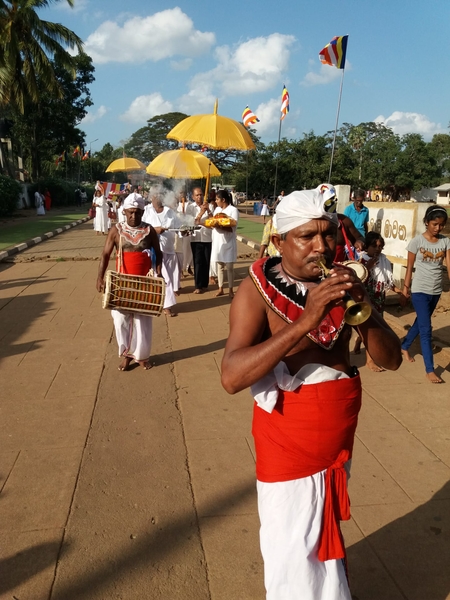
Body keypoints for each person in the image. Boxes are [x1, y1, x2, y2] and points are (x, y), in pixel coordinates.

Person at [221, 188, 402, 600]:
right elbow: (231, 377)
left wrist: (363, 306)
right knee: (291, 546)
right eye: (307, 236)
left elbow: (390, 360)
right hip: (287, 443)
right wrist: (306, 321)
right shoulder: (255, 290)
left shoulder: (343, 281)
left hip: (337, 438)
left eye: (329, 235)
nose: (322, 246)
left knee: (321, 530)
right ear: (279, 241)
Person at [96, 194, 162, 371]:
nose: (134, 216)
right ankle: (126, 355)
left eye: (138, 213)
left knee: (143, 321)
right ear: (124, 212)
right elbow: (105, 254)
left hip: (144, 283)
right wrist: (100, 277)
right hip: (121, 283)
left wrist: (159, 272)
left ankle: (141, 356)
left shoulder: (149, 230)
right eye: (131, 213)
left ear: (143, 212)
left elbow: (158, 252)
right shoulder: (116, 230)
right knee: (121, 320)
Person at [401, 205, 450, 383]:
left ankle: (405, 345)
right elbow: (409, 268)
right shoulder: (417, 242)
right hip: (420, 290)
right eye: (435, 224)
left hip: (436, 291)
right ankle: (430, 369)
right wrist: (405, 289)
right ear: (427, 223)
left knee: (420, 323)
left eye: (441, 225)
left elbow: (449, 266)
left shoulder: (446, 242)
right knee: (426, 329)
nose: (438, 228)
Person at [353, 231, 406, 371]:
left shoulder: (385, 261)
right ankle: (370, 361)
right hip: (366, 299)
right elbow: (357, 280)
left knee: (371, 329)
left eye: (380, 246)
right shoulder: (360, 261)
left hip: (379, 299)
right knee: (371, 329)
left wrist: (401, 292)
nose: (377, 249)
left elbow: (387, 282)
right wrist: (368, 267)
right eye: (374, 246)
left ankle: (359, 341)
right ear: (367, 247)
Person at [143, 191, 179, 317]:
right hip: (154, 251)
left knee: (167, 278)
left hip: (169, 249)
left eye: (159, 195)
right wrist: (154, 230)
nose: (157, 197)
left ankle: (159, 303)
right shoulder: (146, 211)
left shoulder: (170, 212)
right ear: (151, 197)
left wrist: (184, 232)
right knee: (164, 278)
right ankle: (167, 307)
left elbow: (178, 228)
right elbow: (141, 228)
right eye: (154, 195)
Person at [211, 189, 239, 298]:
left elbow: (233, 228)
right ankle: (220, 288)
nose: (216, 201)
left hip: (228, 241)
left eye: (217, 199)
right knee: (220, 267)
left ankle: (231, 290)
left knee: (230, 267)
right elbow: (213, 221)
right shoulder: (217, 210)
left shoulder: (233, 210)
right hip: (218, 242)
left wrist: (221, 226)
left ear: (223, 200)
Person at [186, 187, 214, 294]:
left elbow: (212, 223)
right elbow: (191, 222)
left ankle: (204, 284)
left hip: (207, 237)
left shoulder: (209, 206)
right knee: (197, 262)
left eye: (201, 195)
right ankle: (198, 285)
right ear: (193, 197)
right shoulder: (190, 208)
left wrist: (208, 210)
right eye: (197, 195)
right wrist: (201, 213)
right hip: (196, 238)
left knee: (206, 261)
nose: (199, 197)